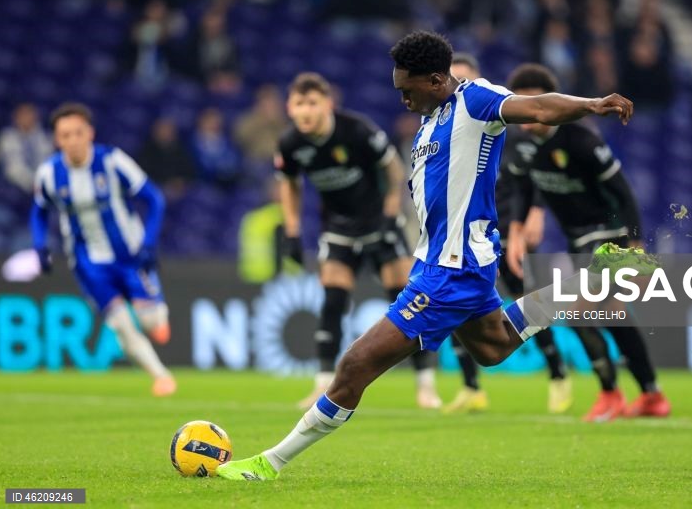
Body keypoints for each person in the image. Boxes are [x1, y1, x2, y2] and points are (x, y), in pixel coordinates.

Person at [217, 30, 640, 481]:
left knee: (356, 364)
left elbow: (535, 107)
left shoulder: (475, 101)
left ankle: (270, 464)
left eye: (407, 90)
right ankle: (565, 298)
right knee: (493, 346)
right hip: (442, 263)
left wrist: (591, 104)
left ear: (437, 79)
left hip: (452, 271)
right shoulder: (428, 122)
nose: (402, 99)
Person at [504, 63, 671, 421]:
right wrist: (517, 229)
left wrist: (637, 246)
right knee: (612, 315)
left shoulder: (581, 139)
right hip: (577, 240)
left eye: (535, 104)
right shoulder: (523, 145)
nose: (527, 112)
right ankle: (652, 395)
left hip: (607, 236)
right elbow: (522, 186)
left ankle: (610, 393)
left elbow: (623, 192)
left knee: (575, 308)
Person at [275, 72, 441, 410]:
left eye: (312, 103)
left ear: (328, 104)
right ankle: (321, 385)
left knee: (407, 304)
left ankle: (426, 386)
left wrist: (392, 215)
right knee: (332, 302)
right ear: (289, 108)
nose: (305, 111)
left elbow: (394, 170)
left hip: (379, 221)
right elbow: (289, 185)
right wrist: (292, 230)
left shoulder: (357, 130)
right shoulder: (291, 144)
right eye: (298, 103)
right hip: (338, 228)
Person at [445, 53, 571, 415]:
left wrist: (534, 213)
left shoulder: (503, 130)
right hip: (459, 237)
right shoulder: (440, 132)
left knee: (522, 304)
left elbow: (530, 176)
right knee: (449, 306)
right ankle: (471, 387)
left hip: (498, 232)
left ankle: (558, 374)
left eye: (466, 80)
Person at [30, 103, 176, 397]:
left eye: (77, 133)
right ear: (57, 139)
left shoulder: (112, 161)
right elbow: (39, 211)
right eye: (65, 135)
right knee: (121, 325)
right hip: (88, 262)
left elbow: (155, 199)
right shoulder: (49, 173)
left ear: (90, 134)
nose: (72, 140)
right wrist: (40, 245)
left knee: (151, 321)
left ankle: (157, 318)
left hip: (131, 255)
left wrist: (148, 242)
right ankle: (161, 376)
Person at [0, 103, 54, 193]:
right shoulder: (7, 137)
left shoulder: (45, 137)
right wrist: (31, 183)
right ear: (16, 118)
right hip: (13, 185)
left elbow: (46, 162)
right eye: (22, 115)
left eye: (29, 115)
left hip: (42, 183)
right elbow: (13, 168)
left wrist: (41, 182)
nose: (26, 119)